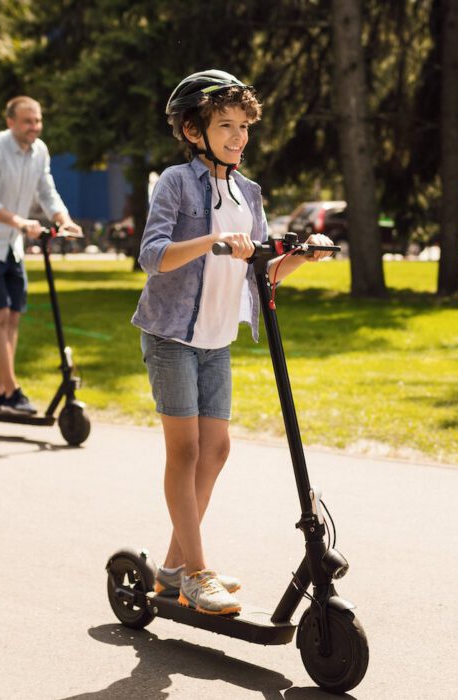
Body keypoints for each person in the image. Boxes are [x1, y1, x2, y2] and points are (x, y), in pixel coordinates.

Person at [131, 70, 334, 615]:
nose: (239, 136)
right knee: (187, 450)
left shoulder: (248, 192)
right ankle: (197, 573)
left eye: (244, 125)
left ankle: (173, 570)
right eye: (226, 125)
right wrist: (213, 240)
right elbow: (152, 256)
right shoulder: (174, 182)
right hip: (171, 333)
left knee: (216, 450)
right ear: (195, 131)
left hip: (217, 338)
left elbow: (260, 272)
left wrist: (302, 256)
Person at [0, 95, 82, 415]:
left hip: (12, 242)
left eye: (38, 120)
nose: (34, 127)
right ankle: (11, 391)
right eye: (27, 121)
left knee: (13, 316)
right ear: (10, 122)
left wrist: (63, 220)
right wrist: (18, 221)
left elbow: (46, 190)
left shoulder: (39, 151)